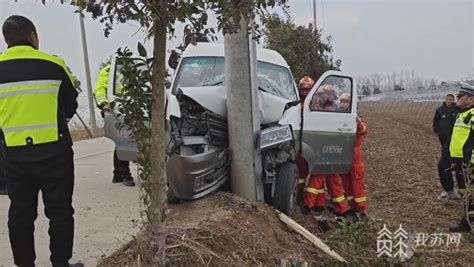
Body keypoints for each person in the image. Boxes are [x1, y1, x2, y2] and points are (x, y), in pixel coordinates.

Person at [0, 15, 83, 267]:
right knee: (60, 212)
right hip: (55, 153)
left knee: (20, 214)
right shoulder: (54, 65)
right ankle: (61, 263)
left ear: (6, 40)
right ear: (33, 36)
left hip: (13, 156)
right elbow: (70, 105)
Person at [93, 62, 135, 186]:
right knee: (124, 142)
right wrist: (105, 105)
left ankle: (118, 174)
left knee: (121, 143)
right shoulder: (108, 71)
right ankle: (126, 175)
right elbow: (99, 90)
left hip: (127, 111)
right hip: (114, 112)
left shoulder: (128, 70)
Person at [448, 84, 474, 243]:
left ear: (471, 99)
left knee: (472, 196)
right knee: (466, 195)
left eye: (460, 96)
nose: (457, 99)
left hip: (471, 163)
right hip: (460, 163)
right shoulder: (462, 114)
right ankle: (467, 223)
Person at [338, 95, 369, 216]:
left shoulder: (356, 118)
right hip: (342, 153)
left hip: (354, 154)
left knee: (357, 181)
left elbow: (363, 130)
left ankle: (361, 210)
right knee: (346, 181)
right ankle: (352, 207)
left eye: (345, 102)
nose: (342, 104)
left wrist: (357, 121)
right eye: (341, 101)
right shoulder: (338, 116)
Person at [433, 94, 463, 200]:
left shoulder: (459, 110)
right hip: (445, 141)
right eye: (448, 99)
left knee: (460, 169)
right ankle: (449, 190)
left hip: (458, 143)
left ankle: (463, 194)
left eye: (451, 99)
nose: (449, 101)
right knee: (443, 166)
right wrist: (437, 131)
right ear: (445, 100)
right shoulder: (440, 110)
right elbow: (435, 121)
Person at [295, 76, 314, 204]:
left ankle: (309, 196)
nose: (305, 92)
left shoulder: (315, 103)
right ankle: (299, 193)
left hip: (311, 139)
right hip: (298, 138)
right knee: (300, 166)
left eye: (308, 90)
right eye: (303, 89)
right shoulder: (295, 102)